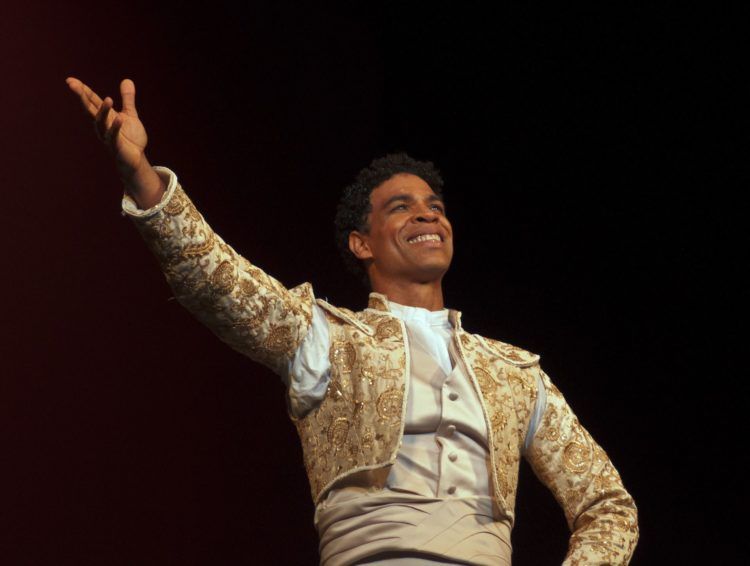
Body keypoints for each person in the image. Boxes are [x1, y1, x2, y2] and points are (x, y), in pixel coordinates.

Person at [66, 77, 639, 565]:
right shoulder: (324, 338)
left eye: (435, 207)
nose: (427, 213)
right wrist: (142, 176)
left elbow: (608, 505)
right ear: (361, 243)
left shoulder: (515, 372)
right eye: (402, 207)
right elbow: (217, 281)